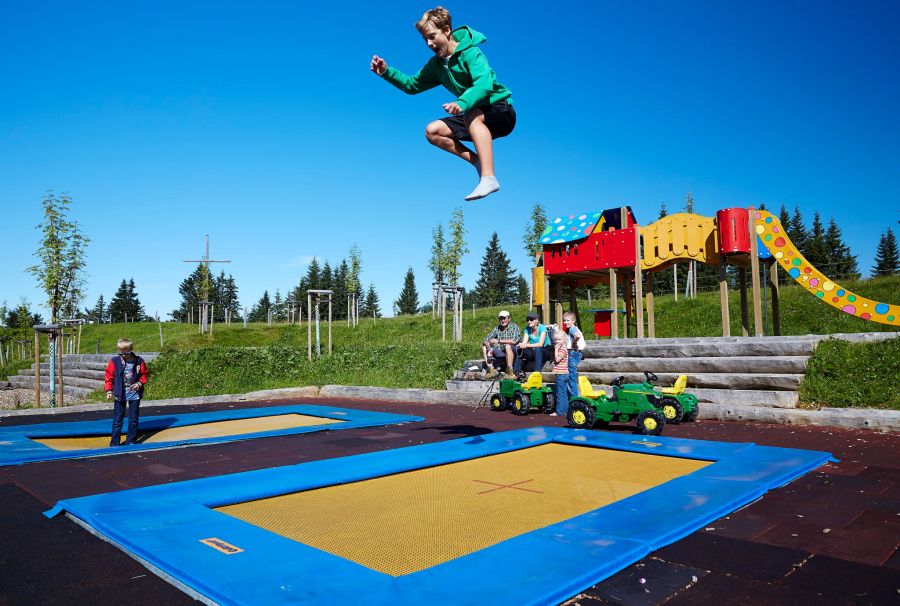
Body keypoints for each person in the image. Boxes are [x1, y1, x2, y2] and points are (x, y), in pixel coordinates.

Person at [370, 6, 516, 201]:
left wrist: (463, 103)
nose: (429, 44)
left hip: (501, 111)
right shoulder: (436, 66)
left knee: (471, 114)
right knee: (433, 131)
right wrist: (387, 72)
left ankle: (488, 177)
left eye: (432, 36)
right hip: (473, 113)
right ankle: (479, 162)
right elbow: (412, 85)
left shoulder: (471, 53)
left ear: (447, 30)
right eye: (425, 40)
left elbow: (484, 85)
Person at [104, 338, 148, 446]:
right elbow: (109, 377)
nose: (123, 355)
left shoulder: (139, 361)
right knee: (118, 419)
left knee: (133, 419)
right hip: (120, 394)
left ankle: (131, 441)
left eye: (126, 352)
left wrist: (140, 383)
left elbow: (144, 374)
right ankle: (114, 443)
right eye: (121, 352)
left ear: (131, 349)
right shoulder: (115, 361)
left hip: (134, 394)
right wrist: (109, 390)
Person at [481, 310, 521, 378]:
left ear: (509, 319)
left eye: (504, 318)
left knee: (508, 346)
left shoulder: (514, 327)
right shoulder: (497, 328)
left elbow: (514, 341)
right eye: (501, 318)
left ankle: (510, 371)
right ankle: (491, 370)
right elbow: (486, 338)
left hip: (513, 351)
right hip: (502, 351)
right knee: (484, 347)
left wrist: (498, 340)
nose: (503, 320)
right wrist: (487, 342)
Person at [562, 311, 586, 401]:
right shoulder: (572, 329)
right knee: (571, 377)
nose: (565, 322)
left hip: (572, 353)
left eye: (568, 320)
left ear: (574, 321)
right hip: (575, 353)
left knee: (572, 377)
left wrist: (575, 342)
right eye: (564, 320)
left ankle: (574, 399)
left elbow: (577, 336)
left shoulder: (572, 329)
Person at [550, 331, 569, 416]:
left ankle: (559, 411)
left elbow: (557, 359)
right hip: (564, 373)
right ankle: (564, 410)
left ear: (564, 340)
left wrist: (556, 349)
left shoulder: (561, 349)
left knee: (560, 393)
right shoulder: (564, 348)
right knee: (563, 393)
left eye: (559, 339)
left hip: (561, 374)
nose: (557, 341)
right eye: (556, 340)